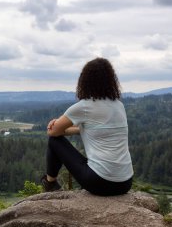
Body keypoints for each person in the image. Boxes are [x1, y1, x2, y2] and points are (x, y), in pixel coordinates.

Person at [41, 57, 134, 196]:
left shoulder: (84, 106)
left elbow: (53, 133)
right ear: (111, 80)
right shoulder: (119, 106)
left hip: (100, 182)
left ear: (85, 81)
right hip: (125, 183)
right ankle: (50, 183)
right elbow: (95, 130)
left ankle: (50, 183)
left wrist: (55, 127)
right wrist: (74, 130)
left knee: (55, 142)